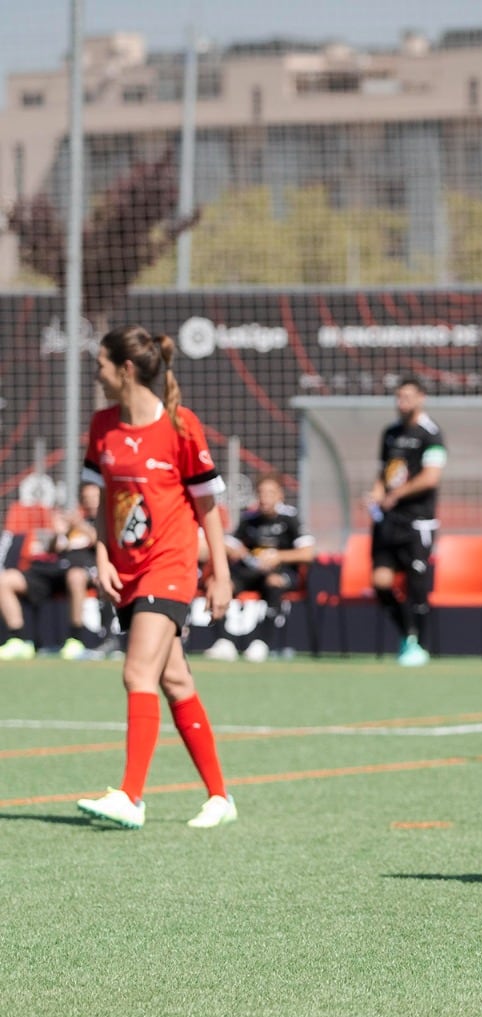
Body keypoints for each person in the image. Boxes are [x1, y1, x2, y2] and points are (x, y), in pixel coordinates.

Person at [75, 325, 236, 831]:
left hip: (169, 565)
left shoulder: (181, 426)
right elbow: (102, 504)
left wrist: (219, 573)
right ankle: (219, 797)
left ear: (125, 369)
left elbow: (207, 508)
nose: (95, 372)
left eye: (100, 363)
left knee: (136, 673)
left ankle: (131, 796)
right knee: (173, 678)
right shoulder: (103, 425)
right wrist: (101, 555)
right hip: (125, 569)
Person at [367, 376, 446, 667]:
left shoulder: (431, 433)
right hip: (389, 521)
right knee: (380, 581)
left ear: (421, 398)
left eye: (408, 397)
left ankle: (419, 644)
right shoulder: (390, 433)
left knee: (417, 586)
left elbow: (431, 476)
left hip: (417, 523)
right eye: (399, 397)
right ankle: (407, 635)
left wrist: (397, 494)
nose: (402, 403)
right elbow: (383, 474)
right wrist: (376, 496)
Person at [205, 472, 315, 663]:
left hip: (282, 572)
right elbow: (227, 544)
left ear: (280, 495)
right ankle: (225, 642)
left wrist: (278, 557)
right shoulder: (249, 518)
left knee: (274, 583)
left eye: (270, 493)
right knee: (222, 584)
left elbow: (308, 554)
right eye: (261, 493)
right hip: (250, 572)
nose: (265, 498)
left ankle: (261, 644)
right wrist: (235, 550)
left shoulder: (290, 519)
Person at [0, 481, 102, 660]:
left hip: (81, 572)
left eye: (95, 497)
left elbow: (98, 540)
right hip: (53, 570)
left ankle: (75, 640)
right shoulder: (73, 520)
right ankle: (19, 640)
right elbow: (52, 549)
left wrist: (79, 525)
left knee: (75, 576)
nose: (91, 501)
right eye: (87, 498)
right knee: (6, 580)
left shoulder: (103, 521)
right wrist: (60, 532)